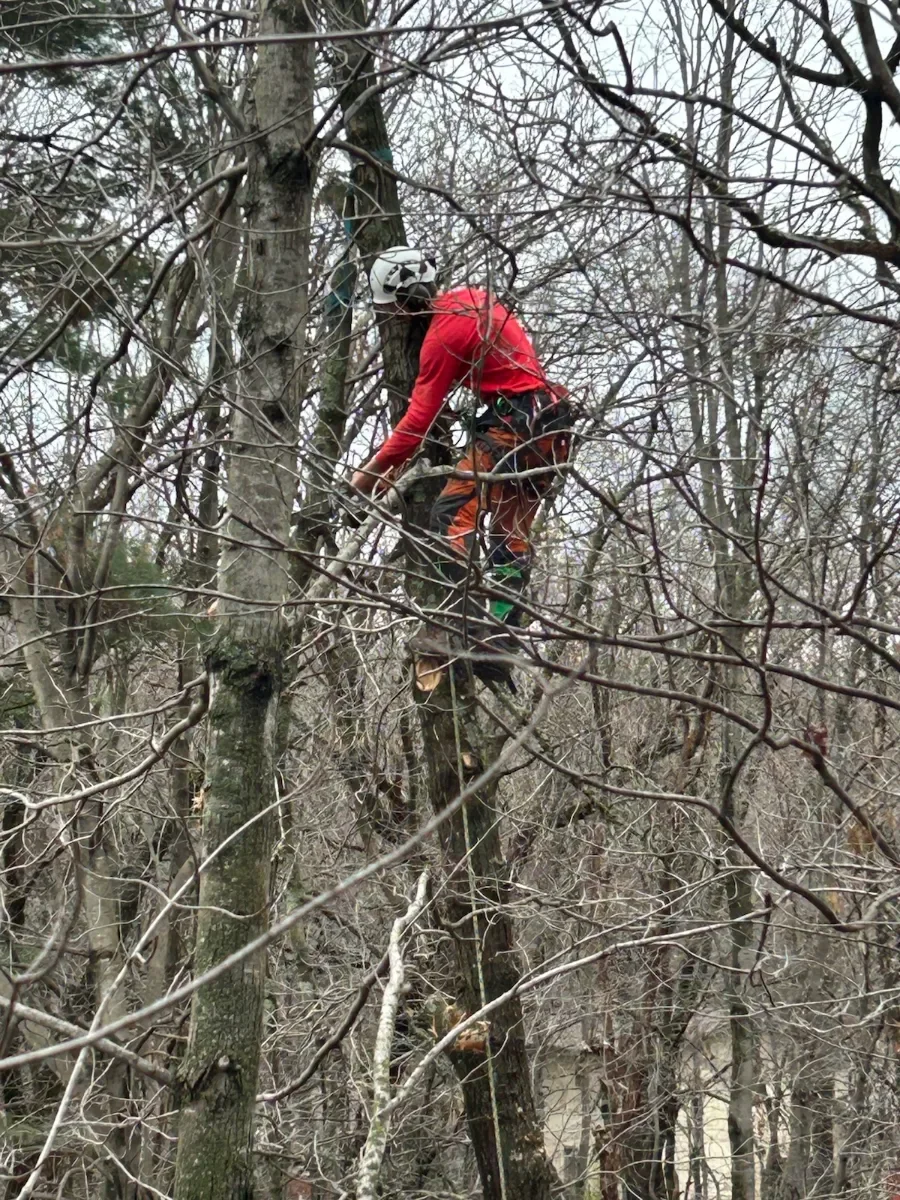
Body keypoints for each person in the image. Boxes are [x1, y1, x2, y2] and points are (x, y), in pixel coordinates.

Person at [350, 246, 571, 682]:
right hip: (552, 425)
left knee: (451, 516)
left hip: (516, 424)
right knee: (509, 534)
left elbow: (417, 422)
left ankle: (462, 631)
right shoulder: (473, 297)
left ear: (403, 301)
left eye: (392, 309)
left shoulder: (439, 338)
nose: (391, 317)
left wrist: (369, 473)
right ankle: (501, 641)